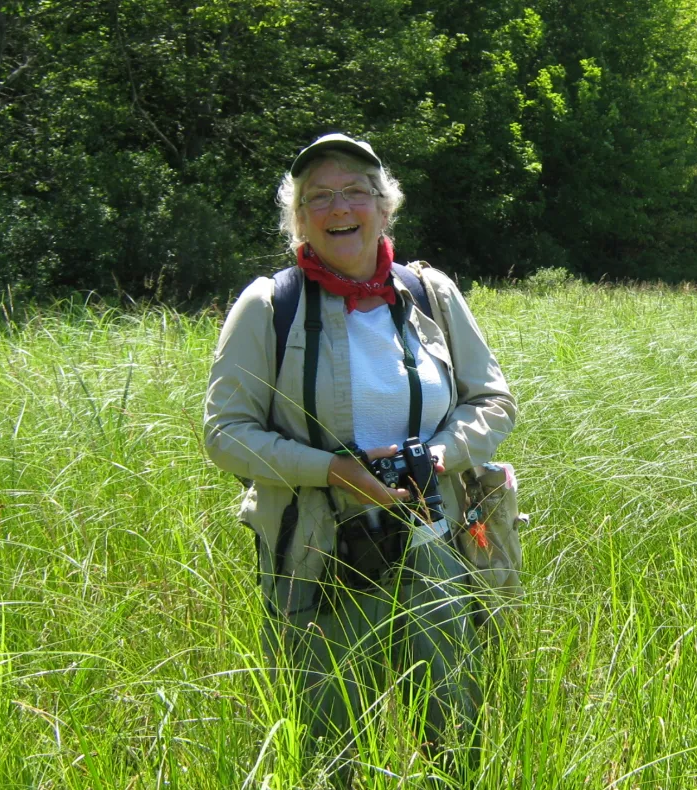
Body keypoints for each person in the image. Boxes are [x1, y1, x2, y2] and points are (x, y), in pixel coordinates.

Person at [203, 133, 516, 783]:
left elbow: (493, 402)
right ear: (299, 217)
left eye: (355, 191)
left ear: (383, 206)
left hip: (438, 543)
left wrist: (436, 454)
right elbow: (224, 433)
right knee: (328, 745)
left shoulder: (430, 295)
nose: (339, 207)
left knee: (454, 736)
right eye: (319, 196)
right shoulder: (269, 308)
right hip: (320, 555)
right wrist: (332, 470)